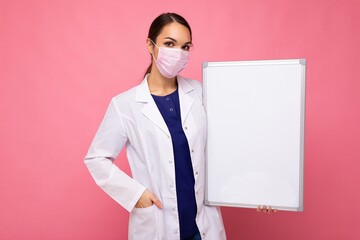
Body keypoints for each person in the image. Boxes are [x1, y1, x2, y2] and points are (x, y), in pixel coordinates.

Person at [84, 12, 227, 240]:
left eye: (185, 47)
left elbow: (230, 146)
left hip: (203, 226)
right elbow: (96, 159)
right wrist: (136, 195)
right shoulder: (125, 105)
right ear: (150, 46)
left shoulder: (201, 93)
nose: (178, 53)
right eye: (169, 44)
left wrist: (253, 192)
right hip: (157, 226)